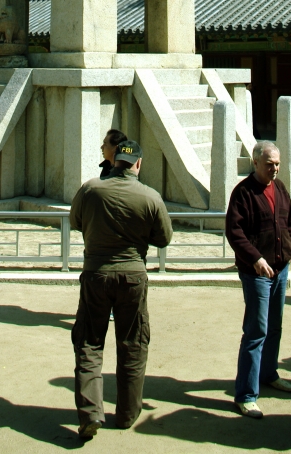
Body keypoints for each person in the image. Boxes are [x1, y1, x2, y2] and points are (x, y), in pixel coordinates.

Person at [69, 139, 173, 441]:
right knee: (133, 343)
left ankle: (90, 412)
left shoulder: (90, 189)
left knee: (89, 343)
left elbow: (76, 221)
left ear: (113, 160)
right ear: (138, 164)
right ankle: (127, 414)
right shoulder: (150, 196)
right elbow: (164, 238)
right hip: (133, 275)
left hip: (96, 273)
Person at [225, 140, 291, 419]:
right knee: (256, 331)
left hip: (280, 268)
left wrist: (290, 249)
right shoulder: (243, 192)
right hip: (256, 272)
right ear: (255, 162)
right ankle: (246, 394)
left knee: (275, 326)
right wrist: (255, 258)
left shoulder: (280, 188)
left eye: (277, 164)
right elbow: (235, 232)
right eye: (269, 164)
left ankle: (269, 373)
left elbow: (289, 222)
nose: (274, 169)